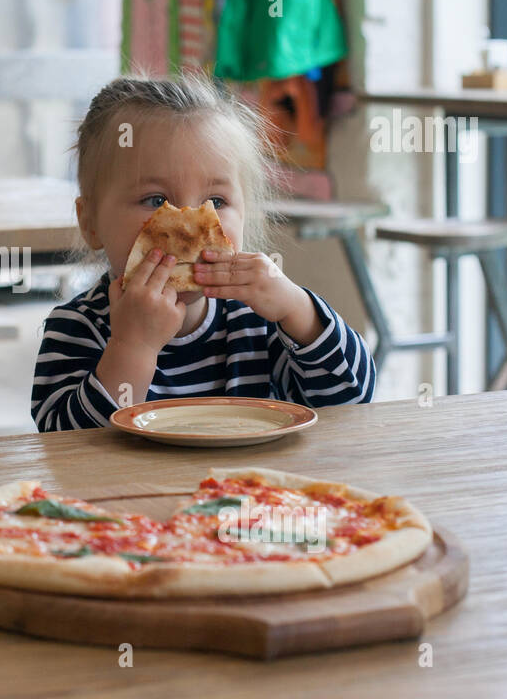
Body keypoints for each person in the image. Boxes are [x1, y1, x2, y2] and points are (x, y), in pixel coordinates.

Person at [31, 72, 374, 432]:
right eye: (156, 200)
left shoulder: (259, 322)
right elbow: (65, 449)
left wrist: (298, 310)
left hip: (246, 486)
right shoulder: (76, 328)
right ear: (91, 224)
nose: (192, 227)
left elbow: (351, 402)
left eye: (216, 201)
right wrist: (133, 347)